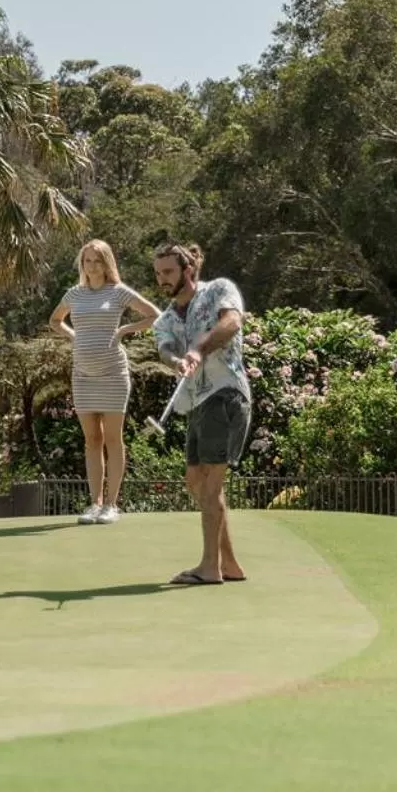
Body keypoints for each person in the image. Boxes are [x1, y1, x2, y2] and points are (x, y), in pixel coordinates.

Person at [150, 242, 249, 585]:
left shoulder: (219, 290)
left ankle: (210, 568)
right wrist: (178, 360)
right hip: (197, 403)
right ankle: (230, 564)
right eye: (158, 273)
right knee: (195, 481)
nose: (162, 279)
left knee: (210, 484)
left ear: (188, 270)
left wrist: (199, 347)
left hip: (225, 393)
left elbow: (232, 323)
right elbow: (164, 348)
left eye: (169, 272)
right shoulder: (165, 318)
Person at [50, 240, 160, 525]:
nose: (92, 266)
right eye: (87, 261)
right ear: (82, 264)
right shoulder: (74, 294)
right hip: (83, 375)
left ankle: (111, 505)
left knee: (113, 439)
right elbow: (55, 320)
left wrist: (125, 329)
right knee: (91, 440)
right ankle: (94, 504)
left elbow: (154, 315)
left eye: (98, 261)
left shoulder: (118, 292)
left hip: (113, 373)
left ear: (107, 263)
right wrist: (75, 337)